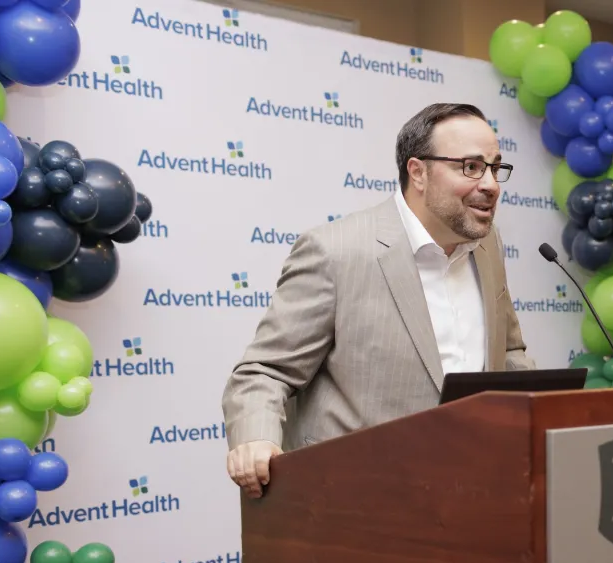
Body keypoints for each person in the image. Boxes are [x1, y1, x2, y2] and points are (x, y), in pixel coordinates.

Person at [222, 102, 536, 498]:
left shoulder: (488, 246)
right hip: (358, 502)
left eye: (495, 167)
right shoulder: (335, 251)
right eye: (471, 167)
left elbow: (509, 354)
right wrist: (255, 438)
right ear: (418, 172)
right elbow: (264, 372)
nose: (491, 184)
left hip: (469, 492)